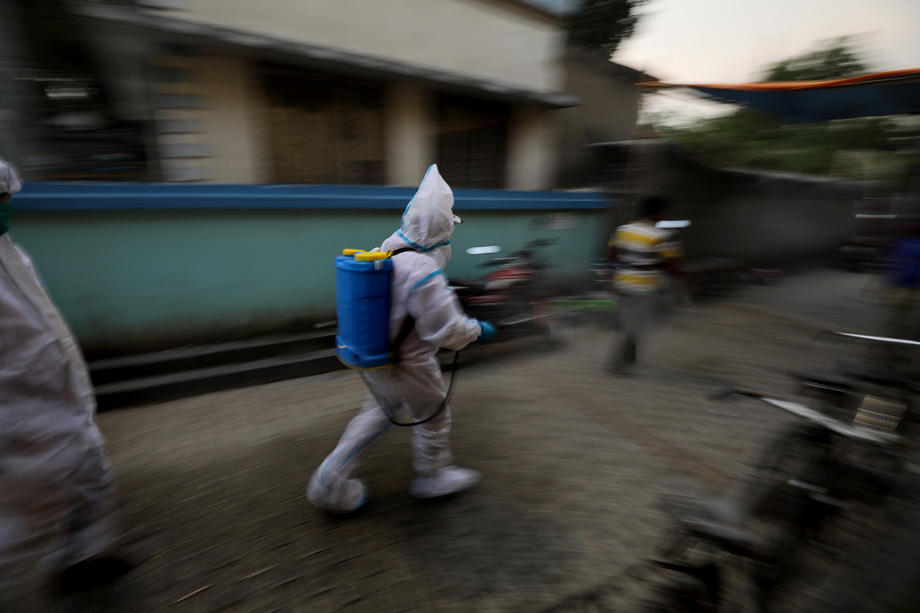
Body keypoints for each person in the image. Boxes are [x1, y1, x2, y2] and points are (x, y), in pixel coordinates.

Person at [307, 164, 496, 514]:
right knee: (434, 415)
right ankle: (433, 475)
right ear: (442, 228)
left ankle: (327, 481)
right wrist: (475, 331)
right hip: (410, 362)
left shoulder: (389, 249)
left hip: (379, 355)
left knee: (377, 413)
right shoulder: (423, 270)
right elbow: (446, 330)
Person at [0, 159, 130, 593]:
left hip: (61, 402)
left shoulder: (13, 255)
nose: (6, 205)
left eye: (6, 197)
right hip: (21, 419)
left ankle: (83, 556)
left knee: (88, 474)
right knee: (25, 519)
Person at [606, 196, 681, 375]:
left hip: (622, 282)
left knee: (630, 322)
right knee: (633, 326)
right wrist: (678, 276)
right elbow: (671, 265)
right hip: (643, 287)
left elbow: (612, 255)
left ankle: (629, 354)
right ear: (657, 213)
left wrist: (614, 276)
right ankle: (618, 365)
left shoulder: (623, 229)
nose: (666, 216)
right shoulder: (661, 236)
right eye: (664, 212)